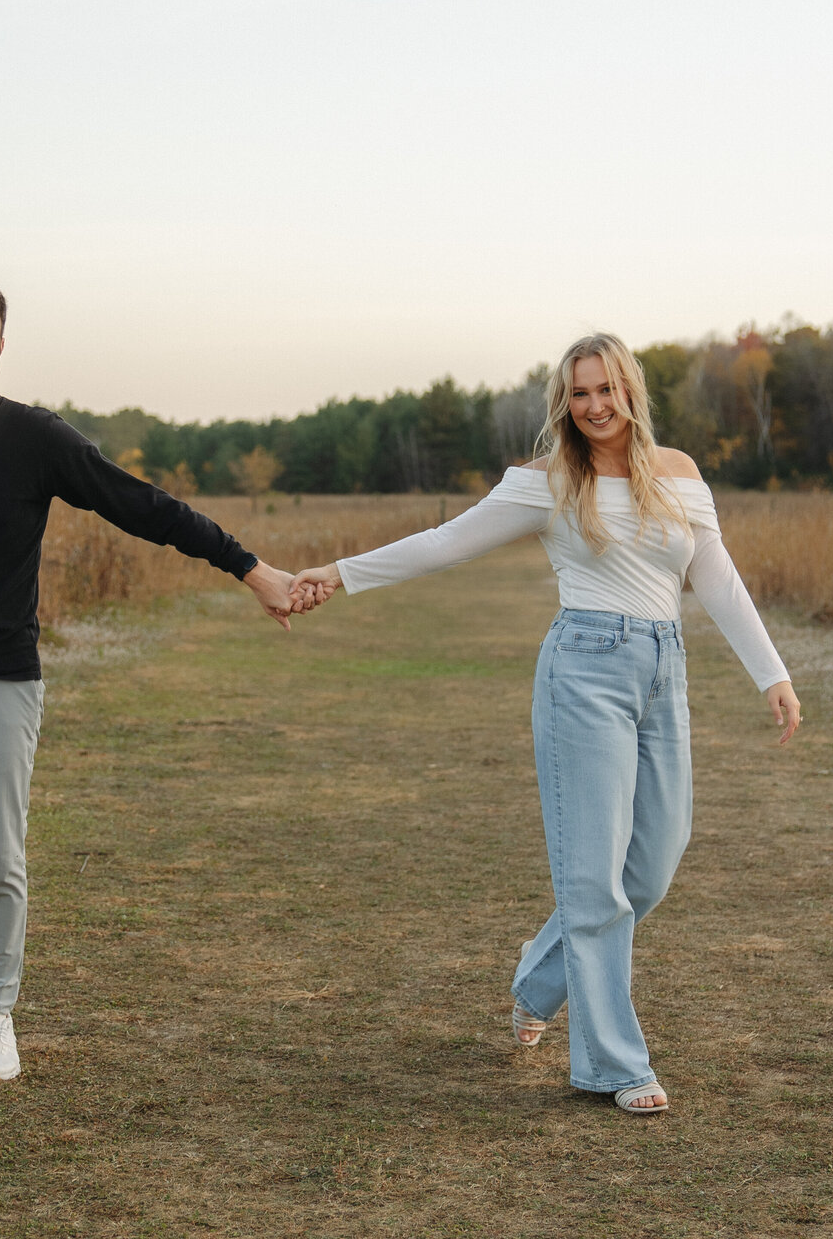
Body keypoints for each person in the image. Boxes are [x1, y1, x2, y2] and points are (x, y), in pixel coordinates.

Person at [0, 273, 297, 1125]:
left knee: (1, 860)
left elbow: (141, 506)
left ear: (2, 350)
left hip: (5, 680)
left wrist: (247, 566)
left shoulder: (35, 439)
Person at [291, 333, 800, 1116]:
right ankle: (615, 1066)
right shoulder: (547, 483)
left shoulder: (680, 476)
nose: (594, 406)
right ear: (565, 403)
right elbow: (443, 544)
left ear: (631, 390)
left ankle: (537, 982)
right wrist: (339, 573)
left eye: (606, 390)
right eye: (578, 394)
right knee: (593, 878)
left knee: (653, 867)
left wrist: (773, 673)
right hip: (584, 673)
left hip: (665, 673)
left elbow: (717, 579)